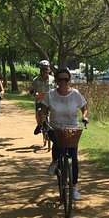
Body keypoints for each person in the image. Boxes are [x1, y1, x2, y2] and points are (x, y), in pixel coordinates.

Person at [39, 67, 88, 201]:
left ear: (69, 80)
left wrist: (84, 117)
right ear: (56, 80)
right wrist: (43, 120)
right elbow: (43, 110)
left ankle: (74, 188)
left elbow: (84, 108)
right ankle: (55, 161)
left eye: (65, 79)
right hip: (56, 126)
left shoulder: (76, 94)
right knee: (56, 139)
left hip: (72, 128)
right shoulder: (50, 94)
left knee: (74, 156)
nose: (63, 82)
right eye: (60, 79)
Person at [29, 60, 55, 134]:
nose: (44, 71)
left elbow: (57, 89)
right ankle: (39, 125)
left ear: (49, 69)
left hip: (52, 101)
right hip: (40, 101)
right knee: (38, 112)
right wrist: (35, 94)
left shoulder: (53, 79)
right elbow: (31, 91)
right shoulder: (36, 80)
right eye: (42, 69)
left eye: (46, 69)